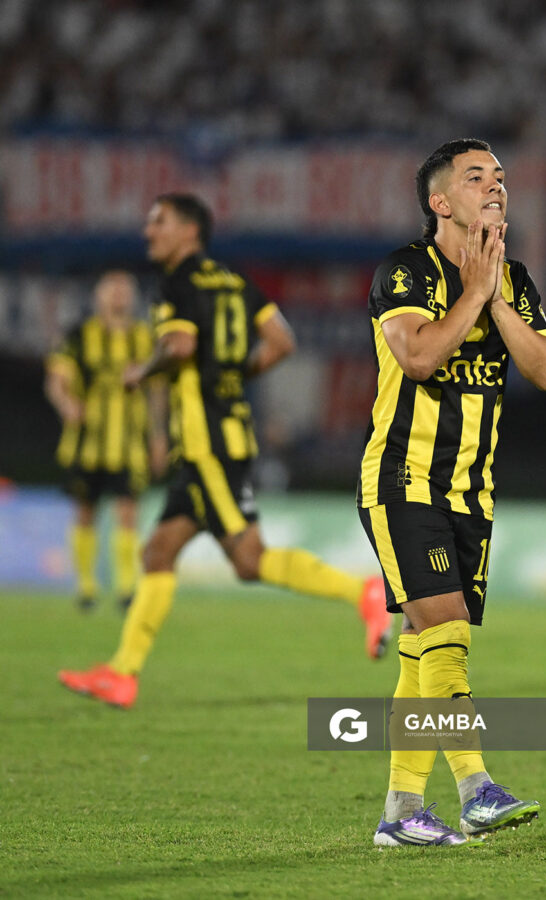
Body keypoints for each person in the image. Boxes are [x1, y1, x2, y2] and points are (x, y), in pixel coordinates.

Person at [58, 193, 391, 707]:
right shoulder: (236, 282)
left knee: (249, 560)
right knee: (158, 551)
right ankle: (122, 673)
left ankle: (364, 592)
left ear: (189, 231)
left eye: (159, 222)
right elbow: (282, 342)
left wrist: (141, 372)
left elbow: (179, 346)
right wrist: (234, 376)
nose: (149, 231)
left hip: (206, 444)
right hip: (223, 436)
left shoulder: (177, 282)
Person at [356, 139, 546, 847]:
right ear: (440, 202)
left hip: (471, 494)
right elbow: (417, 357)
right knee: (446, 627)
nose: (496, 187)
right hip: (403, 479)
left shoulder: (515, 280)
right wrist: (474, 292)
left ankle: (400, 814)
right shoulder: (405, 270)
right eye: (477, 178)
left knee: (423, 643)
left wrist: (496, 296)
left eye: (500, 177)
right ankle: (477, 788)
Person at [46, 270, 168, 611]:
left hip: (129, 442)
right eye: (112, 289)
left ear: (133, 297)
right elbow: (56, 379)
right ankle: (86, 585)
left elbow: (158, 391)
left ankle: (126, 587)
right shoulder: (79, 335)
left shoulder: (144, 338)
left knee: (128, 511)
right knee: (85, 511)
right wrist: (66, 403)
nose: (118, 295)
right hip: (87, 440)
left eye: (124, 289)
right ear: (98, 296)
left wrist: (159, 435)